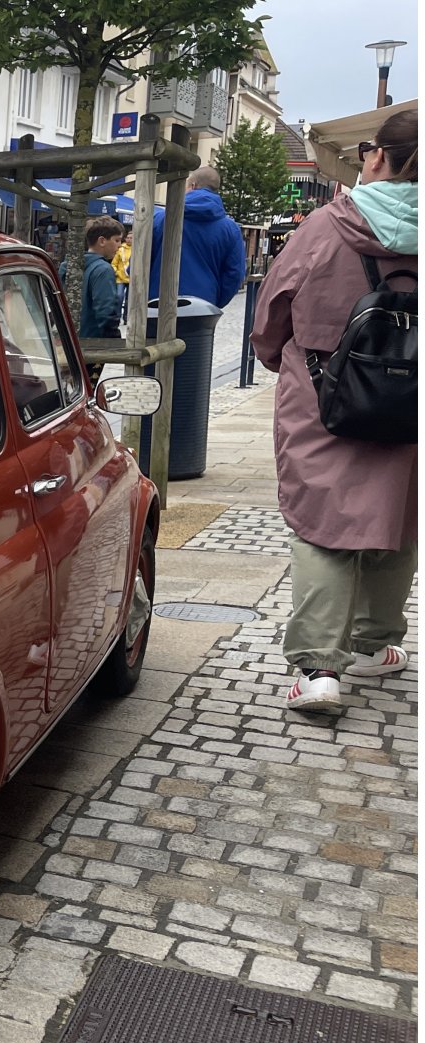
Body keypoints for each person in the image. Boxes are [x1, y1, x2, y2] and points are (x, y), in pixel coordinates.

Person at [249, 108, 418, 714]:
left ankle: (320, 668)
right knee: (397, 514)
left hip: (324, 392)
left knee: (322, 523)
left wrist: (280, 359)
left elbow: (272, 311)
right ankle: (375, 642)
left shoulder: (327, 226)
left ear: (378, 156)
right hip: (412, 400)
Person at [148, 166, 247, 308]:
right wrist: (215, 301)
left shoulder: (160, 219)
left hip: (158, 303)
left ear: (193, 186)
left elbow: (139, 262)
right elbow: (235, 274)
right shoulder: (231, 229)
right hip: (203, 306)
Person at [77, 216, 124, 339]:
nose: (120, 245)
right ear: (102, 241)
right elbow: (106, 312)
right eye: (117, 240)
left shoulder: (68, 266)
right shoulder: (103, 270)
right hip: (94, 340)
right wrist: (114, 338)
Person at [112, 225, 132, 323]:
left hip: (131, 279)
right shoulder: (121, 249)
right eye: (127, 238)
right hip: (120, 278)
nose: (129, 239)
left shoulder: (137, 250)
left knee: (129, 300)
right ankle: (117, 316)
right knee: (119, 297)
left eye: (131, 238)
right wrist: (116, 272)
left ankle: (126, 318)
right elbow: (114, 264)